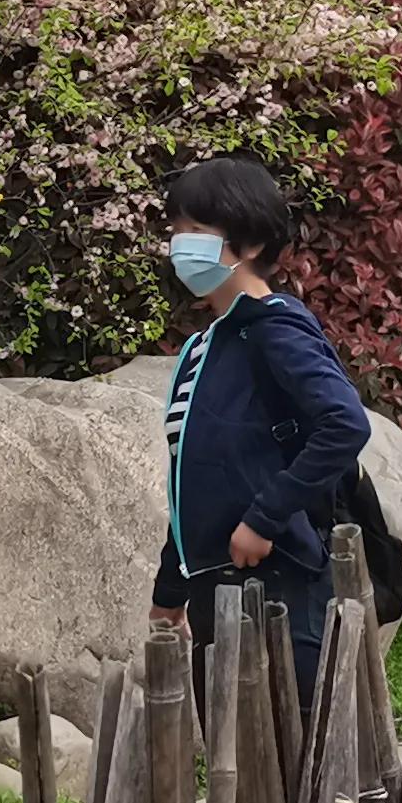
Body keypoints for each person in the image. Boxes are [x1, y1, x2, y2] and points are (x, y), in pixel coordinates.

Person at [148, 154, 374, 705]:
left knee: (292, 752)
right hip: (214, 592)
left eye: (195, 229)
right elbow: (193, 479)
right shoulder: (203, 347)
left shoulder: (273, 327)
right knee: (231, 755)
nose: (179, 243)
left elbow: (344, 423)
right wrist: (171, 589)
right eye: (177, 228)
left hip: (279, 593)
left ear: (248, 244)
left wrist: (265, 517)